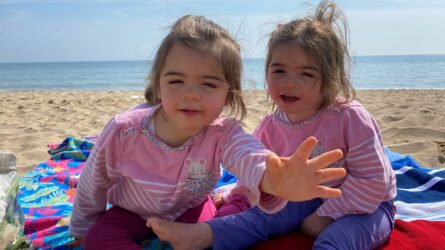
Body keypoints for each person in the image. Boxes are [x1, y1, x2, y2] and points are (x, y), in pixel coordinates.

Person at [68, 14, 347, 249]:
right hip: (129, 212)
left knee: (216, 234)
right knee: (98, 238)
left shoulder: (223, 132)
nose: (191, 94)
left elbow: (249, 156)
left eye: (209, 84)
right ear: (158, 83)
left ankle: (229, 206)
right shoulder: (124, 131)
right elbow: (94, 181)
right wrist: (81, 228)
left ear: (229, 94)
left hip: (192, 210)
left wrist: (275, 180)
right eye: (176, 80)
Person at [146, 1, 397, 249]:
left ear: (330, 77)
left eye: (306, 74)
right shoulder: (270, 125)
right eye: (279, 71)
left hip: (367, 207)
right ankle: (202, 235)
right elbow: (261, 171)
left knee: (336, 240)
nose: (289, 83)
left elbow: (374, 182)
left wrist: (328, 214)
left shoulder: (350, 117)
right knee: (258, 217)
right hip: (304, 197)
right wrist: (237, 190)